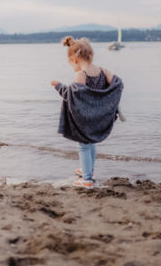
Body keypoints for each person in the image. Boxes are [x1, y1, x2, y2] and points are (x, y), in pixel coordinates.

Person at [51, 36, 124, 188]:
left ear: (74, 59)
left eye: (70, 64)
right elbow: (118, 84)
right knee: (91, 144)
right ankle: (88, 170)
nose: (72, 67)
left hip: (85, 119)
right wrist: (108, 101)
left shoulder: (81, 75)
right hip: (99, 117)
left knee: (83, 146)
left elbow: (72, 96)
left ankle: (87, 179)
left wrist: (59, 86)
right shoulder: (103, 71)